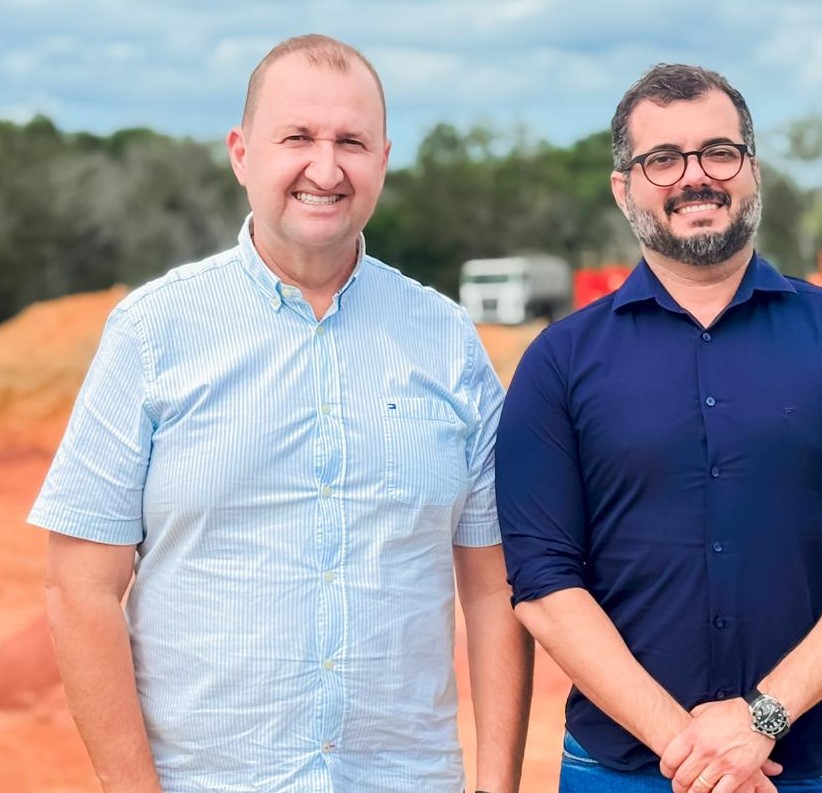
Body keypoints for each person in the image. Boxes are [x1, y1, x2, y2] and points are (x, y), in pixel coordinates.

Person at [29, 34, 532, 793]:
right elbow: (80, 587)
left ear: (383, 159)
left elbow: (494, 588)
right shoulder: (151, 333)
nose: (325, 169)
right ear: (241, 153)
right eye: (297, 137)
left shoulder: (448, 340)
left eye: (351, 143)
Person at [495, 63, 822, 793]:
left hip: (809, 771)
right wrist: (694, 747)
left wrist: (760, 718)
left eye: (718, 152)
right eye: (662, 160)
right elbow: (543, 579)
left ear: (751, 169)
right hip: (621, 772)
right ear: (624, 188)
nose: (694, 176)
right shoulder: (557, 362)